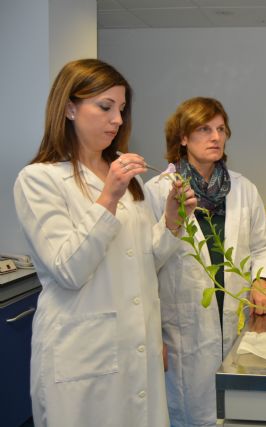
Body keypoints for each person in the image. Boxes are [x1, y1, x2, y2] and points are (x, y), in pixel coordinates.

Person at [13, 59, 198, 426]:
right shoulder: (39, 180)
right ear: (69, 108)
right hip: (83, 357)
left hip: (135, 349)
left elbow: (146, 261)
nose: (117, 119)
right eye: (105, 106)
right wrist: (107, 198)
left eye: (122, 109)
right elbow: (68, 269)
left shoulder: (129, 181)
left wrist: (173, 220)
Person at [145, 96, 266, 426]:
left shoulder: (243, 189)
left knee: (238, 413)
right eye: (204, 129)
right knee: (189, 413)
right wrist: (149, 335)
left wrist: (262, 280)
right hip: (180, 330)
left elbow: (263, 246)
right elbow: (144, 265)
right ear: (183, 138)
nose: (216, 137)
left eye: (220, 129)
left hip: (236, 323)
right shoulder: (157, 191)